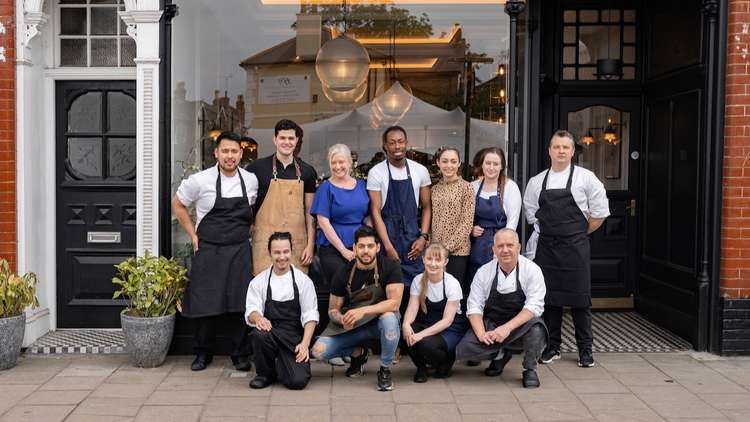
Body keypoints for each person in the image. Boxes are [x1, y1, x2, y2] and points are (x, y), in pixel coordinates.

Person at [173, 131, 259, 371]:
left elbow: (252, 212)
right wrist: (192, 234)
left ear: (241, 154)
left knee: (240, 302)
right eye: (225, 151)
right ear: (216, 153)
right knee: (205, 303)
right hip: (209, 249)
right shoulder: (200, 180)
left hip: (239, 250)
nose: (230, 156)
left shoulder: (250, 180)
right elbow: (178, 204)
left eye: (234, 151)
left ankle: (240, 354)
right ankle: (202, 353)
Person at [523, 130, 610, 368]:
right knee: (550, 301)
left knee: (580, 300)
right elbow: (532, 213)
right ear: (549, 150)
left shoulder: (586, 178)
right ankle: (552, 348)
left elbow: (600, 213)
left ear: (572, 151)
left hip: (575, 247)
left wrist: (577, 233)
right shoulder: (537, 181)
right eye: (557, 147)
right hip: (547, 248)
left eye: (565, 147)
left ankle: (586, 351)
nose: (561, 151)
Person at [311, 226, 404, 391]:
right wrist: (341, 319)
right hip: (354, 327)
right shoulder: (343, 273)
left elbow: (394, 303)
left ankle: (384, 369)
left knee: (390, 319)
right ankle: (358, 353)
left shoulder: (390, 267)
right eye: (361, 246)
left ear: (378, 247)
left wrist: (362, 311)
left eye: (370, 246)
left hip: (379, 325)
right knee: (318, 351)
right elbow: (332, 310)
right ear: (354, 248)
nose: (366, 251)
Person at [455, 229, 547, 388]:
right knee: (466, 346)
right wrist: (481, 333)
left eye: (510, 245)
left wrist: (506, 329)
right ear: (494, 249)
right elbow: (474, 306)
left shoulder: (532, 270)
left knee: (537, 330)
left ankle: (529, 368)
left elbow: (534, 307)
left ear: (518, 247)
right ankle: (500, 355)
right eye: (500, 246)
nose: (505, 250)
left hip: (521, 327)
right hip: (493, 324)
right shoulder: (484, 272)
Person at [367, 126, 432, 312]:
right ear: (385, 146)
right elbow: (375, 211)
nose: (397, 146)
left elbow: (427, 207)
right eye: (392, 142)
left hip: (413, 237)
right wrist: (387, 246)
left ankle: (412, 334)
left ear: (406, 143)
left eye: (400, 141)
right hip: (388, 235)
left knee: (417, 291)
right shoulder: (377, 172)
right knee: (388, 291)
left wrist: (423, 237)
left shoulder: (420, 171)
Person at [245, 232, 319, 390]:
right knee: (259, 334)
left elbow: (310, 315)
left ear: (291, 251)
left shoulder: (303, 281)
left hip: (293, 339)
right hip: (270, 333)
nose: (282, 257)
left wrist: (305, 344)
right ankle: (265, 374)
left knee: (297, 381)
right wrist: (258, 319)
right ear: (269, 253)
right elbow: (251, 310)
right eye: (277, 252)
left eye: (285, 252)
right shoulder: (259, 281)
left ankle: (283, 365)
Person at [246, 119, 318, 274]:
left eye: (291, 138)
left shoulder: (307, 171)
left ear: (297, 140)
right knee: (263, 291)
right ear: (275, 139)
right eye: (282, 138)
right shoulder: (256, 169)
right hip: (264, 245)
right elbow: (245, 206)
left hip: (297, 245)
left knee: (295, 290)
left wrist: (310, 245)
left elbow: (310, 212)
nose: (287, 142)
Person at [402, 242, 466, 382]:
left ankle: (447, 360)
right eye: (429, 259)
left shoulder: (452, 283)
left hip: (450, 328)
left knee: (425, 344)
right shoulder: (418, 280)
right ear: (423, 259)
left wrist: (420, 336)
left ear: (445, 262)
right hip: (428, 323)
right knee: (407, 334)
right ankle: (421, 368)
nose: (433, 263)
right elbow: (412, 309)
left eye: (438, 260)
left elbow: (447, 321)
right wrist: (406, 324)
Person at [310, 144, 370, 293]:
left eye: (341, 162)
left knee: (365, 285)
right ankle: (337, 315)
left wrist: (371, 240)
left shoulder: (362, 185)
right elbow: (323, 222)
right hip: (333, 247)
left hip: (360, 244)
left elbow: (368, 217)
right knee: (343, 283)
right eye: (333, 163)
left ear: (350, 162)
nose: (337, 166)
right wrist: (344, 250)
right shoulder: (325, 188)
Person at [468, 147, 523, 284]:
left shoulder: (510, 187)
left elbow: (512, 222)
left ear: (502, 166)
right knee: (476, 283)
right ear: (482, 164)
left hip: (501, 243)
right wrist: (470, 228)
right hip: (476, 246)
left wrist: (502, 248)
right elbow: (464, 217)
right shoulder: (472, 186)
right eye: (488, 163)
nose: (491, 167)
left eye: (496, 164)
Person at [430, 146, 475, 293]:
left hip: (458, 252)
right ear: (438, 163)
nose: (449, 165)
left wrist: (447, 248)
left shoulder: (466, 188)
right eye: (445, 161)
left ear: (459, 163)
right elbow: (432, 220)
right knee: (436, 291)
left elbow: (466, 223)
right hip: (436, 250)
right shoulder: (434, 189)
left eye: (453, 161)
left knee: (453, 292)